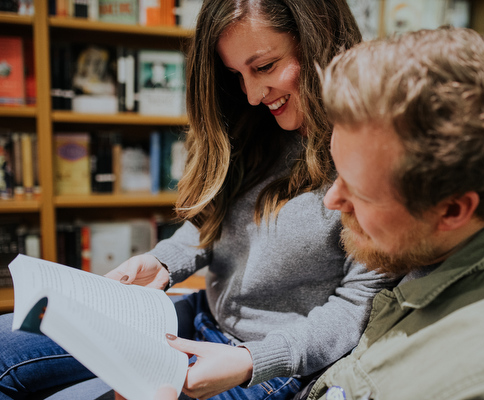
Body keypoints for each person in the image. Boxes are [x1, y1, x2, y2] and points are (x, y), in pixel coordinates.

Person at [0, 1, 394, 399]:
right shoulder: (258, 125)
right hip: (197, 316)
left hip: (267, 366)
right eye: (236, 75)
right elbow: (216, 219)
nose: (254, 95)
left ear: (318, 40)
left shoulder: (373, 153)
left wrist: (252, 361)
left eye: (264, 67)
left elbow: (358, 304)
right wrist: (164, 261)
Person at [305, 27, 484, 399]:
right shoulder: (431, 253)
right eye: (337, 173)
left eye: (360, 192)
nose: (332, 200)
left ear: (453, 210)